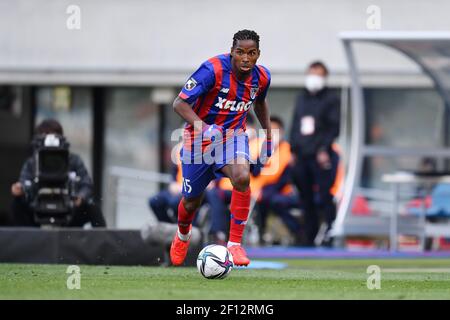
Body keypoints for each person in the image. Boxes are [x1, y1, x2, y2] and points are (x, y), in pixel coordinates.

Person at [170, 29, 272, 266]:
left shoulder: (262, 77)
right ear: (232, 52)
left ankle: (235, 245)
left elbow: (260, 103)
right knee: (190, 202)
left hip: (233, 137)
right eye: (240, 52)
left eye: (251, 53)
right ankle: (182, 234)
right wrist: (204, 128)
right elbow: (180, 103)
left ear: (258, 54)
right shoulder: (213, 70)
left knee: (242, 177)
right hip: (199, 141)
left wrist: (268, 134)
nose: (245, 58)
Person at [10, 119, 106, 228]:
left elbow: (86, 184)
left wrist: (80, 197)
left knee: (92, 206)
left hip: (69, 209)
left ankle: (104, 242)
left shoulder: (74, 160)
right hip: (38, 208)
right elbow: (24, 183)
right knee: (16, 205)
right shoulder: (31, 163)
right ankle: (24, 241)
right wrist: (20, 189)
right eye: (45, 135)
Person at [289, 61, 340, 247]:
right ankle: (308, 235)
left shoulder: (331, 98)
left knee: (325, 195)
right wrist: (293, 150)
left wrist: (323, 149)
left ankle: (330, 231)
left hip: (320, 155)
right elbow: (296, 124)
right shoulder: (302, 97)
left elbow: (334, 128)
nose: (314, 78)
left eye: (318, 74)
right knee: (305, 196)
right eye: (312, 73)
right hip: (302, 154)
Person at [253, 116, 302, 245]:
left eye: (275, 130)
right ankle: (261, 233)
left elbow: (284, 180)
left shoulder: (288, 151)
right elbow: (256, 172)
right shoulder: (261, 150)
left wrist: (264, 193)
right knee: (261, 201)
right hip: (262, 192)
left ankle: (298, 231)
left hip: (284, 193)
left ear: (281, 132)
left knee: (273, 200)